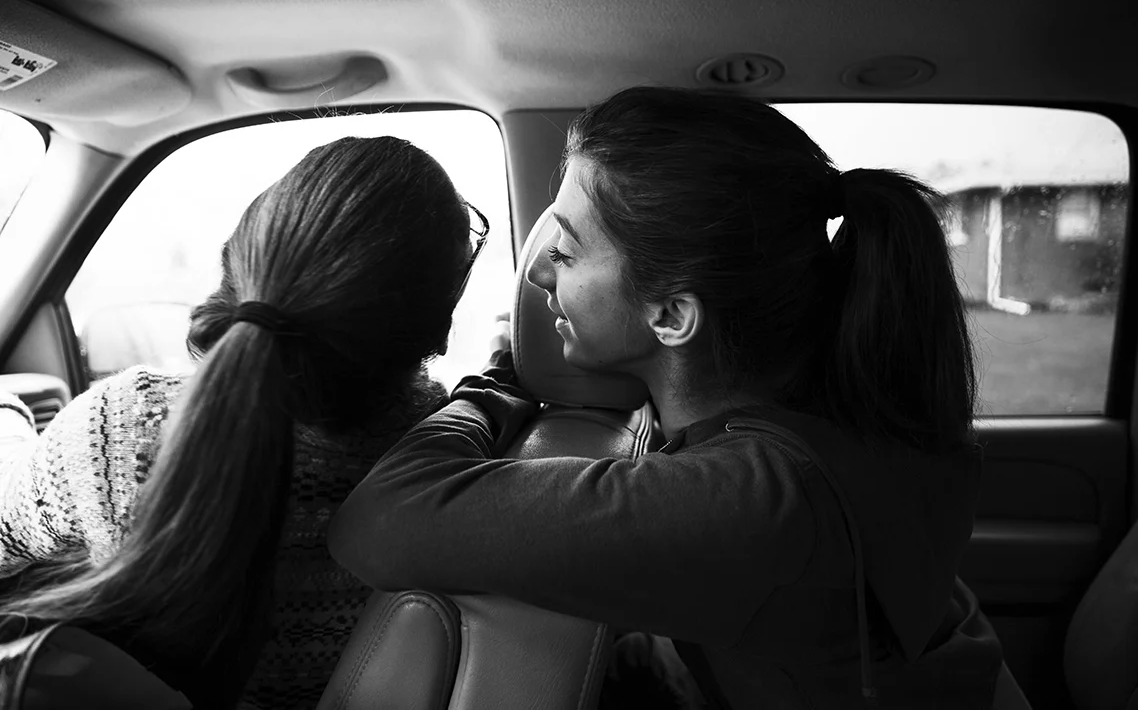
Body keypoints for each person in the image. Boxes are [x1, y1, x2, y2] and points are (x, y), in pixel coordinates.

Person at [327, 86, 1005, 708]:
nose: (536, 274)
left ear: (673, 316)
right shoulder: (820, 419)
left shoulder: (753, 500)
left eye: (565, 253)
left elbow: (378, 524)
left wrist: (504, 379)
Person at [0, 135, 485, 710]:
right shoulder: (456, 465)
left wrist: (8, 413)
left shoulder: (120, 430)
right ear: (437, 327)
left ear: (240, 262)